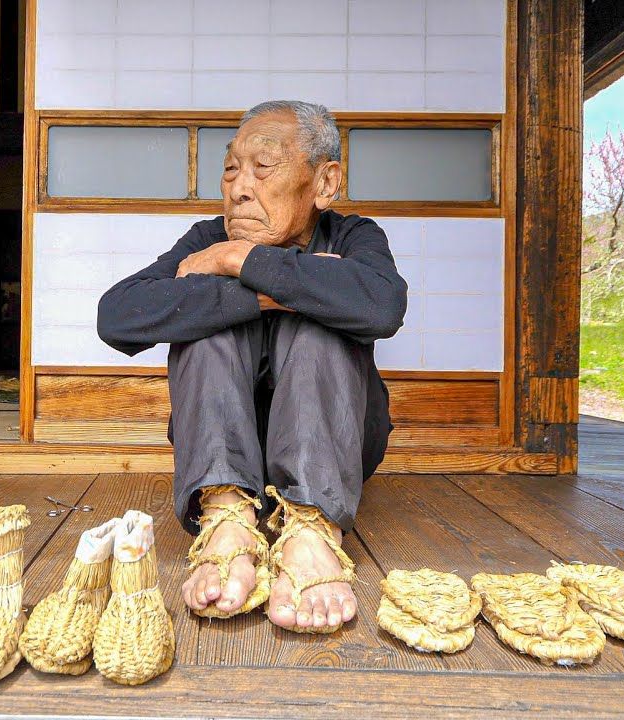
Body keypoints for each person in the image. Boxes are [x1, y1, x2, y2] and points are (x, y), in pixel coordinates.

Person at [97, 100, 407, 634]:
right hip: (225, 459)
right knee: (210, 324)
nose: (240, 186)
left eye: (262, 169)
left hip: (337, 455)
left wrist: (235, 264)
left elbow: (381, 306)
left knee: (318, 323)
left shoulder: (355, 236)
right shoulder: (204, 238)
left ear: (325, 182)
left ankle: (311, 527)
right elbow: (119, 315)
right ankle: (226, 519)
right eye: (231, 168)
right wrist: (282, 287)